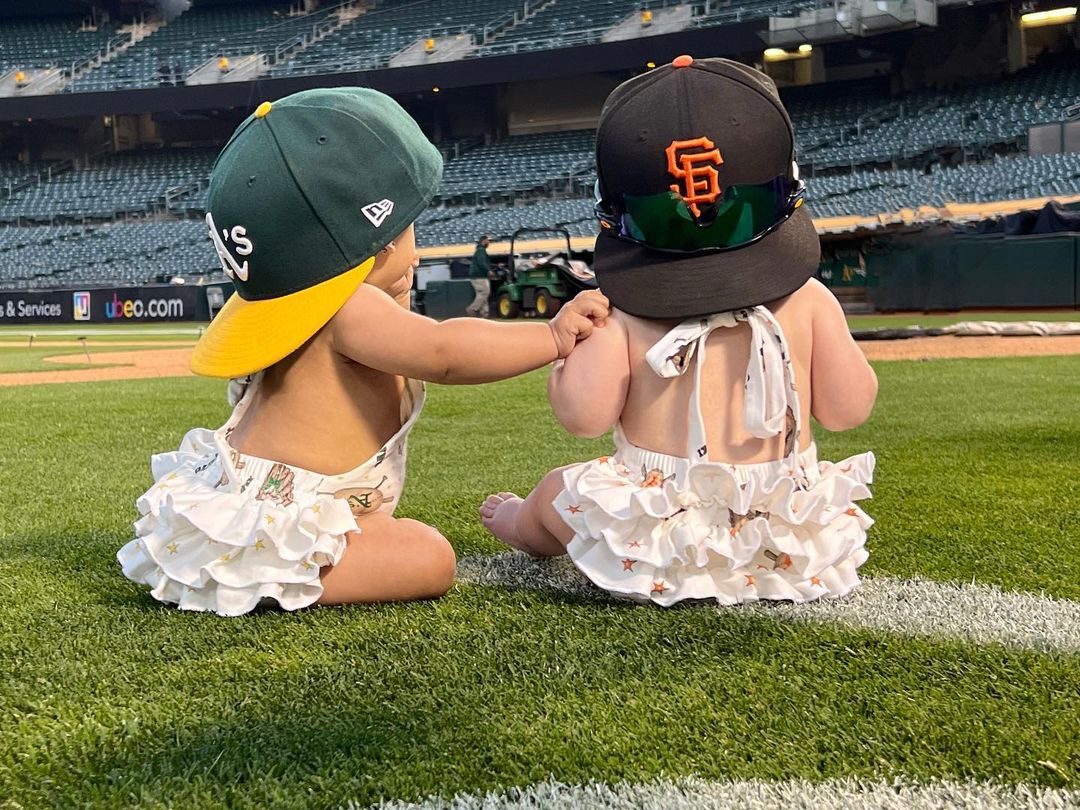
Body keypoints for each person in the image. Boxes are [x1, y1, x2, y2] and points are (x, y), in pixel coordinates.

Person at [117, 88, 608, 617]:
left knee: (402, 542)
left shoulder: (300, 308)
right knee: (427, 557)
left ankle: (250, 560)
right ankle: (258, 572)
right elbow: (442, 351)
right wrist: (551, 337)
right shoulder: (348, 309)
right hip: (284, 511)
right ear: (381, 242)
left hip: (259, 493)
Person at [480, 56, 877, 606]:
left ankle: (521, 524)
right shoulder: (809, 299)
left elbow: (583, 418)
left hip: (652, 545)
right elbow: (848, 410)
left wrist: (566, 352)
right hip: (784, 540)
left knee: (555, 490)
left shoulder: (620, 311)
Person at [466, 234, 492, 317]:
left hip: (477, 276)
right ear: (484, 241)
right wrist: (488, 270)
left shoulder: (479, 250)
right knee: (485, 292)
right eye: (488, 241)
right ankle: (473, 308)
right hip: (479, 276)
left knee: (481, 294)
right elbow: (481, 262)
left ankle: (484, 313)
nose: (489, 242)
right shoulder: (481, 250)